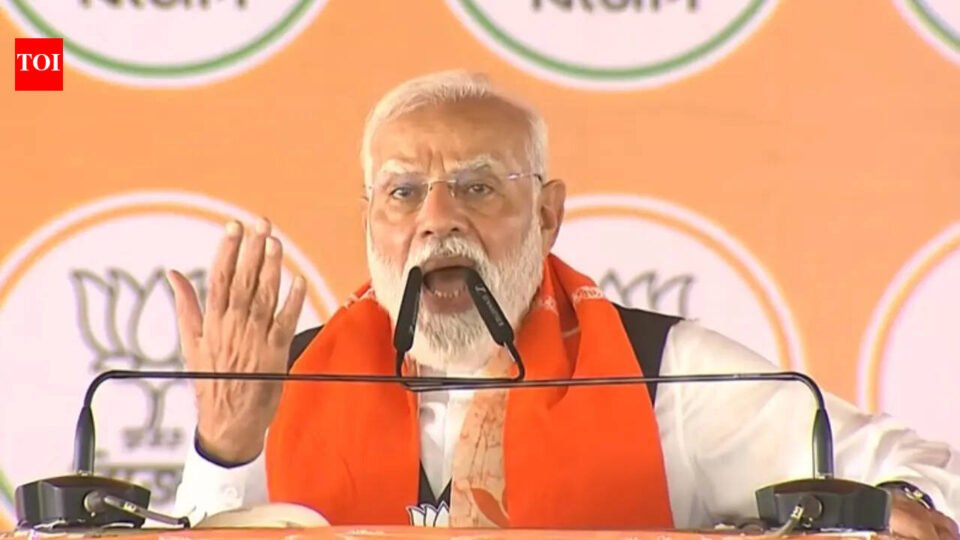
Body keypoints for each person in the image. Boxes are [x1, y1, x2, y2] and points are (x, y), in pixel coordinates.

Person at [168, 70, 960, 536]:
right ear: (369, 217)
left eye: (477, 187)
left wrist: (901, 503)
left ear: (548, 215)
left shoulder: (659, 374)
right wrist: (223, 452)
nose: (436, 219)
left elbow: (917, 469)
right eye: (403, 192)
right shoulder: (287, 381)